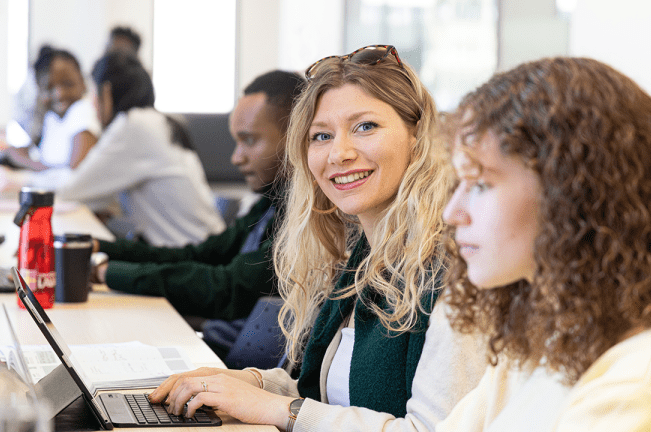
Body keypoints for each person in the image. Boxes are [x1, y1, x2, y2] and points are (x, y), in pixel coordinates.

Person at [148, 45, 486, 431]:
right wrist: (249, 383)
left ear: (416, 136)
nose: (338, 153)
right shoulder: (366, 257)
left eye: (365, 126)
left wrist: (279, 409)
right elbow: (333, 398)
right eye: (321, 135)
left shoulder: (457, 275)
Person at [436, 57, 651, 430]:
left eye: (480, 184)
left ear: (569, 194)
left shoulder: (637, 383)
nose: (452, 212)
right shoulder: (543, 347)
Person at [90, 70, 304, 325]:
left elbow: (225, 288)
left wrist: (106, 272)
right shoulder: (270, 204)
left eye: (249, 140)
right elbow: (199, 254)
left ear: (296, 137)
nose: (236, 158)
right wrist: (100, 248)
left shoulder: (302, 222)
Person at [46, 51, 224, 247]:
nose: (93, 105)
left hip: (189, 253)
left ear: (106, 92)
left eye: (93, 94)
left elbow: (72, 191)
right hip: (203, 243)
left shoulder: (133, 125)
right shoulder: (157, 121)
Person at [7, 49, 100, 171]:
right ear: (39, 90)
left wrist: (25, 162)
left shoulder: (82, 110)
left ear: (83, 82)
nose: (59, 94)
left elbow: (76, 176)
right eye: (49, 88)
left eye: (68, 84)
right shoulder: (52, 117)